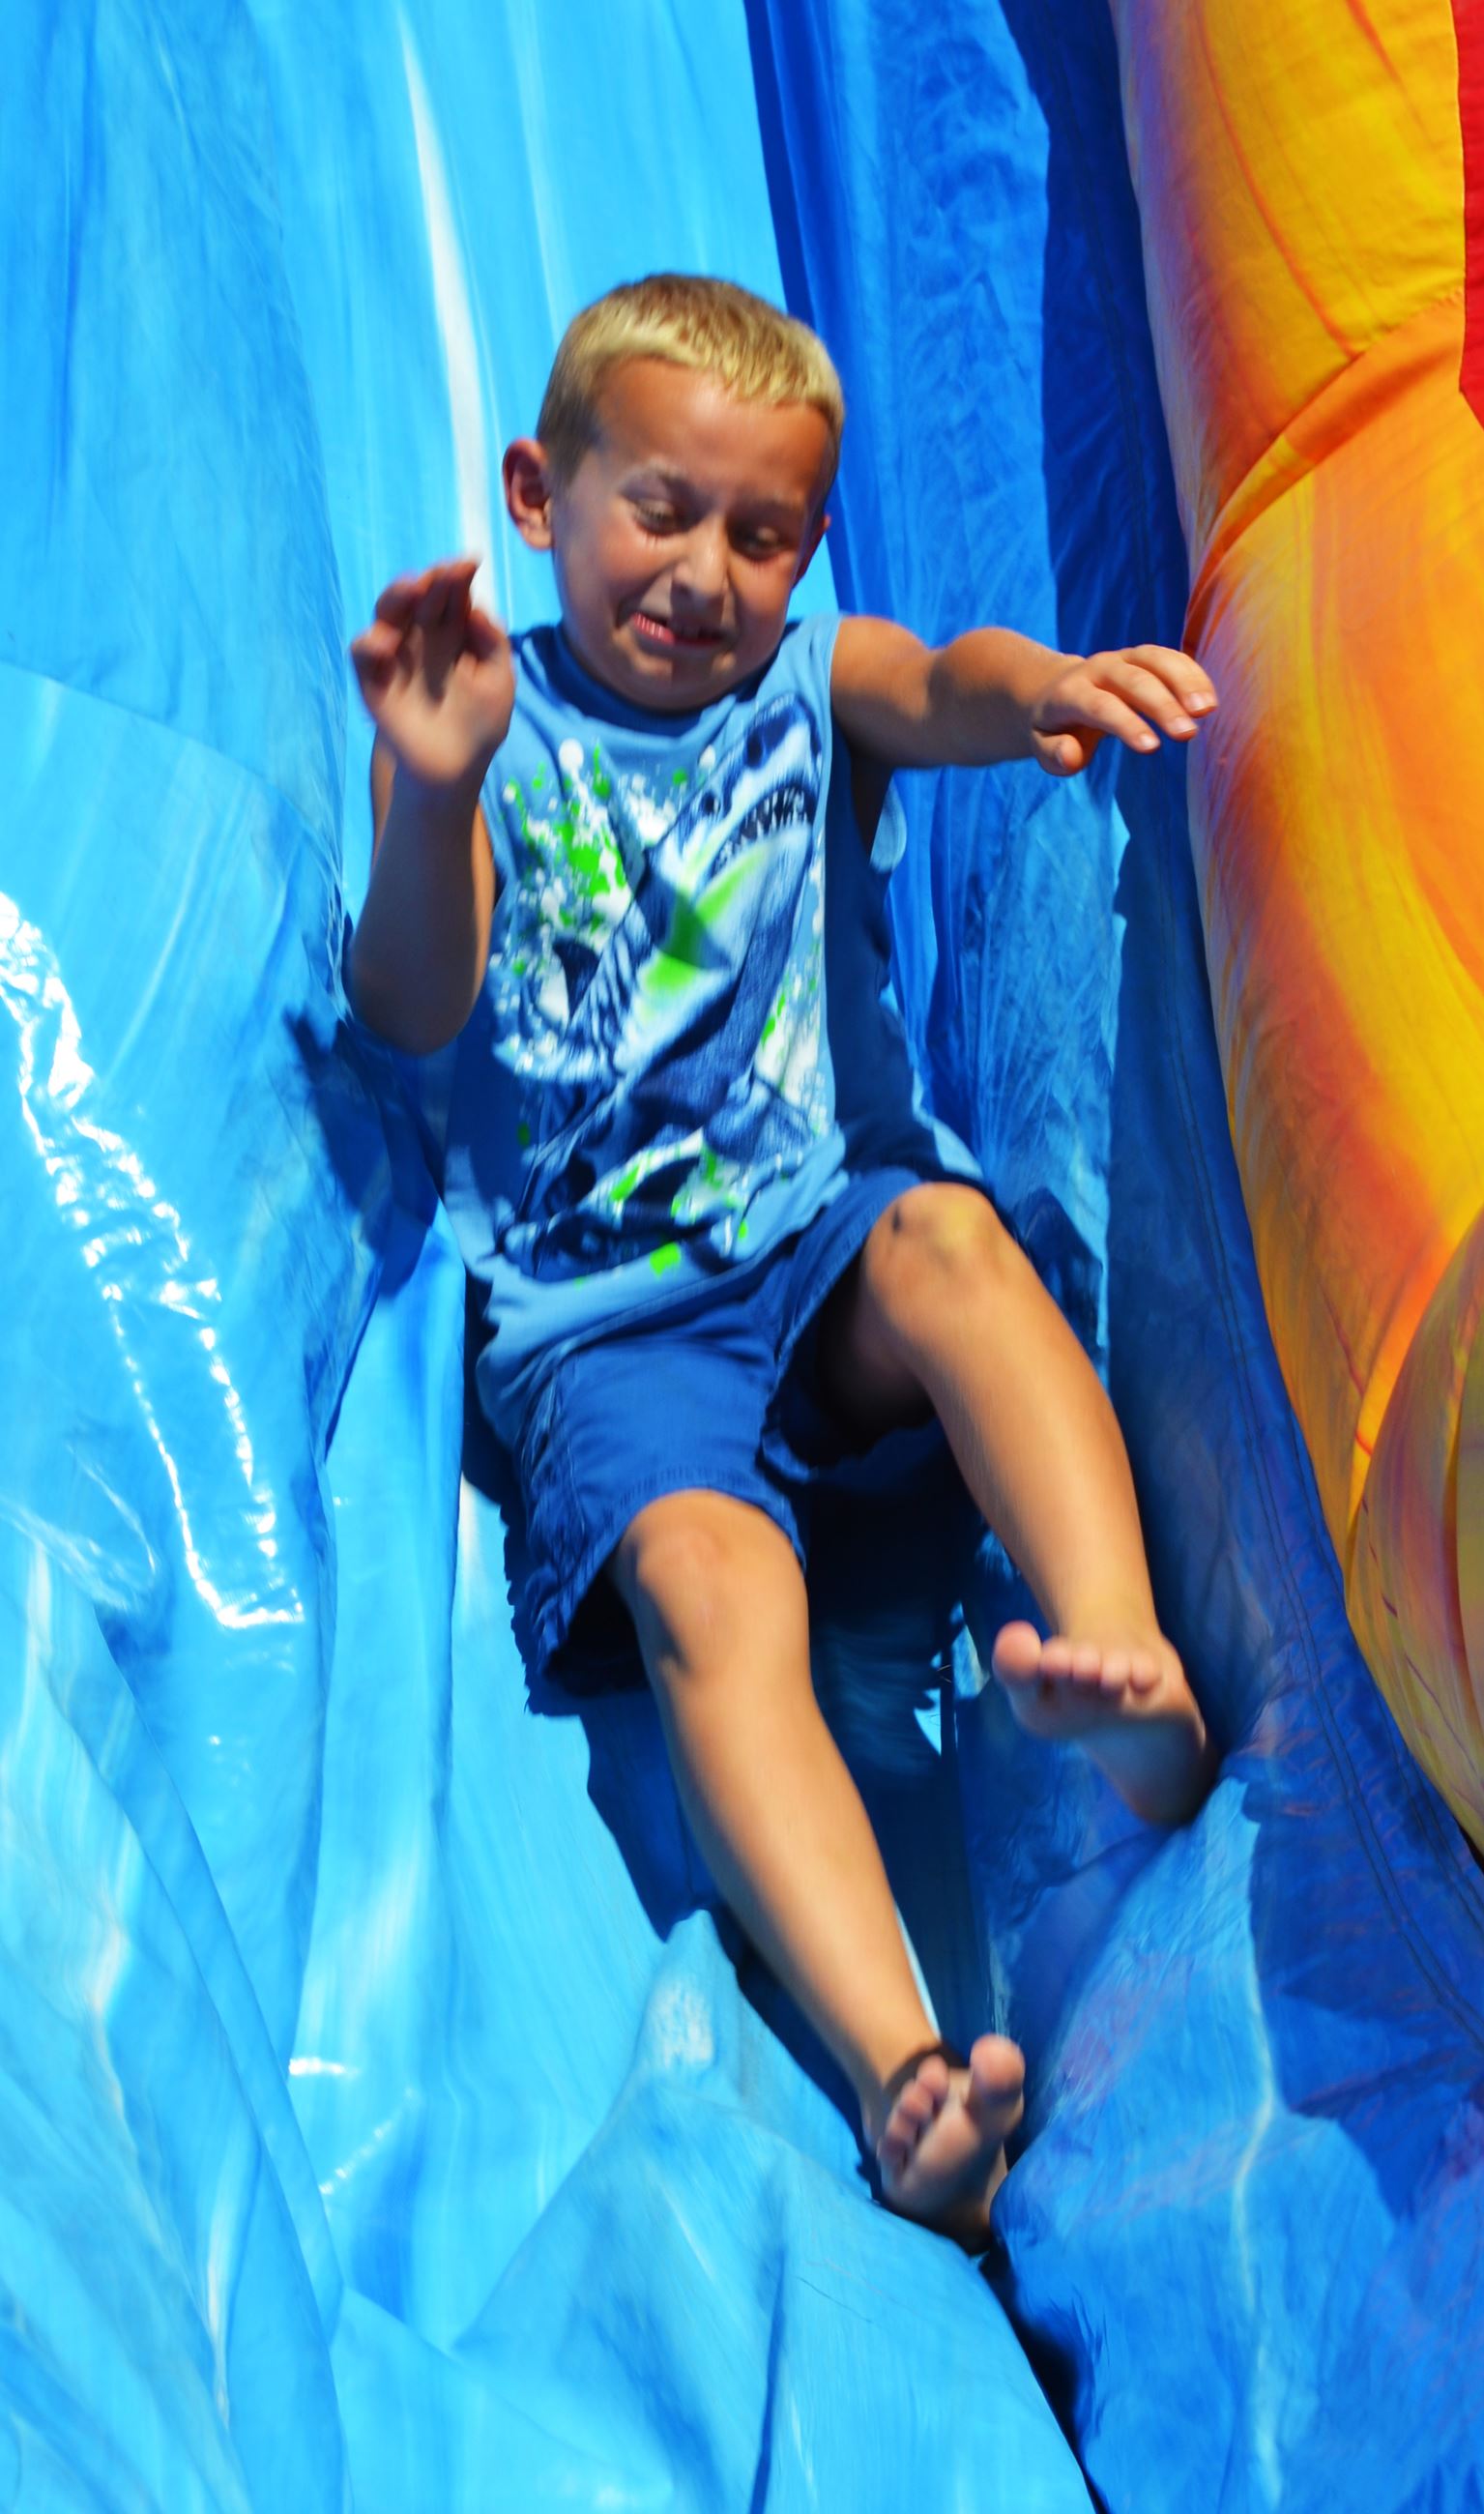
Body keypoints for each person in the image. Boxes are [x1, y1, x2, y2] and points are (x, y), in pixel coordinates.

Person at [348, 274, 1216, 2251]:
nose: (704, 572)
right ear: (538, 494)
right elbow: (410, 1007)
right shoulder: (499, 726)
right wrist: (429, 783)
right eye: (657, 507)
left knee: (945, 1236)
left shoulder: (802, 687)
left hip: (812, 1242)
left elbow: (940, 675)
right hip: (602, 1333)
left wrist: (1046, 695)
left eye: (762, 532)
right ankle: (903, 2072)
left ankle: (1122, 1659)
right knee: (703, 1582)